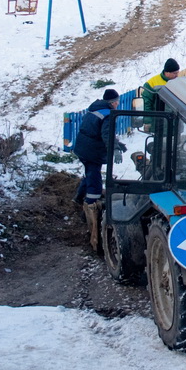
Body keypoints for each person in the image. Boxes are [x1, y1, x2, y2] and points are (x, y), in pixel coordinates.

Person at [72, 88, 120, 252]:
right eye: (117, 102)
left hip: (83, 148)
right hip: (92, 151)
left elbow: (99, 132)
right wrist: (113, 149)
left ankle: (78, 197)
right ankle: (90, 206)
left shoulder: (95, 108)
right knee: (95, 180)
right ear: (113, 102)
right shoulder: (107, 114)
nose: (118, 104)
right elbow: (106, 135)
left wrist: (118, 144)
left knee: (89, 174)